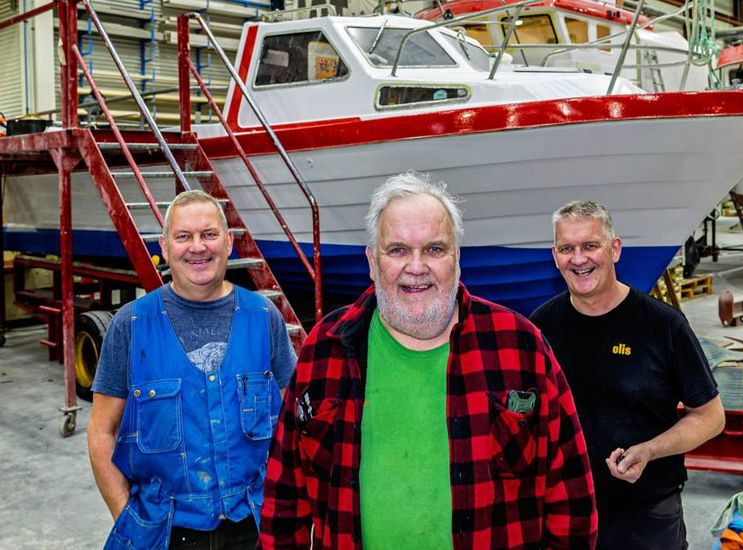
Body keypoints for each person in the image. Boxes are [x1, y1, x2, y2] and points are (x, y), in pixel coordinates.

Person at [259, 172, 597, 549]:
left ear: (457, 258)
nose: (416, 266)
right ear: (372, 261)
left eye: (435, 249)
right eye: (398, 250)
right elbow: (284, 499)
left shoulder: (520, 346)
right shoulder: (326, 348)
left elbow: (572, 500)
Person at [87, 190, 297, 549]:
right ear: (165, 247)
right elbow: (101, 430)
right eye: (184, 236)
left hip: (255, 526)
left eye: (209, 234)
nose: (197, 247)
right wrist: (126, 516)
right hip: (164, 532)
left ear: (229, 242)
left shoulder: (264, 319)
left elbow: (293, 426)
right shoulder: (131, 324)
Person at [529, 200, 725, 550]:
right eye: (566, 248)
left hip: (648, 517)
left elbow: (710, 417)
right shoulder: (540, 328)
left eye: (590, 245)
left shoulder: (662, 325)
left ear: (614, 249)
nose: (578, 259)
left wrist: (649, 450)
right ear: (554, 255)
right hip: (563, 513)